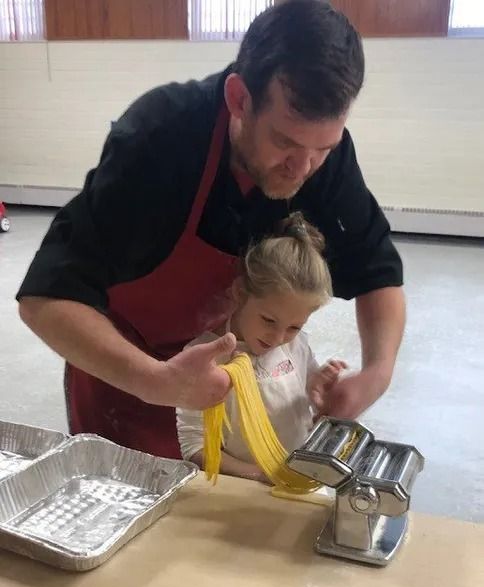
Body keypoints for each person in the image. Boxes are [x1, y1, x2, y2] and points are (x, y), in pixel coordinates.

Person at [17, 0, 404, 459]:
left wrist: (375, 375)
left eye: (323, 146)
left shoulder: (323, 160)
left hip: (237, 399)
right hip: (129, 384)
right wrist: (157, 381)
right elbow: (45, 299)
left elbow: (377, 270)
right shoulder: (161, 138)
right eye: (284, 142)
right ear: (240, 98)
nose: (303, 168)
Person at [177, 212, 347, 481]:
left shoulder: (297, 346)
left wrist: (322, 398)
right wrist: (258, 474)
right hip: (245, 489)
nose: (278, 337)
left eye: (295, 326)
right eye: (269, 320)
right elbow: (195, 446)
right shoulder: (205, 358)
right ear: (239, 292)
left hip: (298, 479)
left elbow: (307, 410)